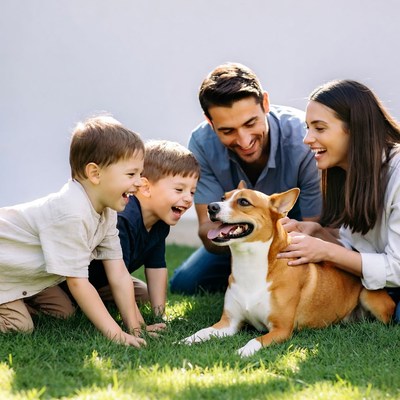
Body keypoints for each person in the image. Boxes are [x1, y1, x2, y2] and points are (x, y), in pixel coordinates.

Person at [0, 115, 165, 346]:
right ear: (95, 173)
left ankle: (19, 300)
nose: (140, 182)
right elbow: (77, 282)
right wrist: (116, 335)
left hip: (26, 277)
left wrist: (136, 328)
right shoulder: (71, 212)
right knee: (20, 326)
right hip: (4, 275)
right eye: (131, 174)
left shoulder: (106, 211)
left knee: (63, 313)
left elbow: (118, 273)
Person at [169, 62, 322, 294]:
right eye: (227, 131)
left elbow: (317, 226)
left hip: (292, 233)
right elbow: (206, 229)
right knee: (185, 283)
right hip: (232, 232)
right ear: (210, 122)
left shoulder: (304, 139)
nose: (244, 141)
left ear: (266, 103)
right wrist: (239, 234)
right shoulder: (201, 142)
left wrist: (273, 237)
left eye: (251, 123)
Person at [276, 79, 400, 321]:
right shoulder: (347, 171)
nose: (307, 139)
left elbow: (397, 268)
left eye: (319, 128)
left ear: (356, 128)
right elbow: (358, 244)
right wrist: (317, 233)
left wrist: (325, 251)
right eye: (307, 128)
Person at [85, 140, 200, 317]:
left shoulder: (160, 222)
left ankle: (96, 300)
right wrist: (138, 325)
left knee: (145, 295)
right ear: (145, 188)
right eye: (179, 190)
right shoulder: (123, 220)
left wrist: (159, 314)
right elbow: (118, 275)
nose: (188, 199)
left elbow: (157, 267)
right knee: (64, 312)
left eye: (192, 192)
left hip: (103, 282)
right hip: (73, 280)